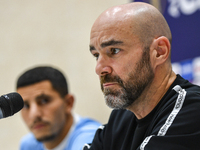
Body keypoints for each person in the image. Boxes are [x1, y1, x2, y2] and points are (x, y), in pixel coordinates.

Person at [83, 2, 200, 150]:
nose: (99, 69)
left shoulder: (192, 110)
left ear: (159, 51)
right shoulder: (120, 118)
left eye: (114, 51)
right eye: (96, 55)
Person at [16, 66, 101, 150]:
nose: (34, 114)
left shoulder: (91, 139)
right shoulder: (28, 145)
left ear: (68, 103)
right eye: (25, 106)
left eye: (44, 101)